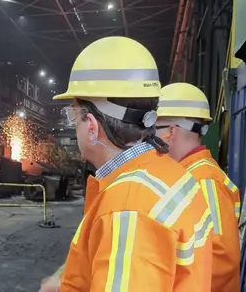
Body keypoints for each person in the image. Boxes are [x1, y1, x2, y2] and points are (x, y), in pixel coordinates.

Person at [41, 37, 213, 292]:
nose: (72, 125)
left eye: (72, 115)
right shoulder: (169, 173)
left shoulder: (127, 212)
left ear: (91, 126)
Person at [156, 82, 240, 292]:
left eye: (153, 129)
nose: (149, 138)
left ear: (171, 131)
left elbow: (220, 262)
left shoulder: (203, 180)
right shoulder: (191, 175)